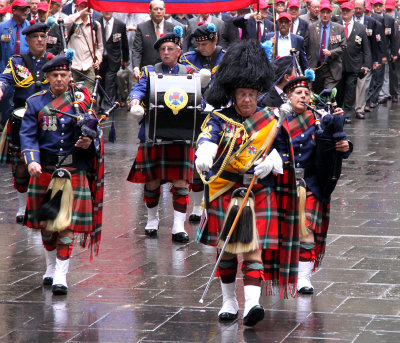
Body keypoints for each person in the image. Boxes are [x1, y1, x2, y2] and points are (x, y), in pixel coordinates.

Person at [195, 39, 299, 327]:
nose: (247, 100)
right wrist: (204, 152)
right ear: (233, 93)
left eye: (252, 94)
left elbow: (286, 156)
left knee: (253, 248)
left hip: (258, 190)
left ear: (258, 94)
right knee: (227, 250)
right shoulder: (219, 118)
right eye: (242, 94)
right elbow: (208, 137)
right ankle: (229, 301)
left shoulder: (270, 120)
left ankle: (252, 303)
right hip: (225, 189)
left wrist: (273, 162)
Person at [19, 53, 104, 296]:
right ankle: (49, 266)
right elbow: (28, 135)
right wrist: (32, 161)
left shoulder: (81, 103)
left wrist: (89, 141)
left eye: (63, 75)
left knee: (66, 226)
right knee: (47, 226)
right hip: (44, 169)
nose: (59, 79)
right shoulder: (36, 103)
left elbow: (94, 130)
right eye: (54, 75)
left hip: (72, 170)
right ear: (46, 77)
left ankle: (61, 274)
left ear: (69, 76)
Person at [282, 75, 352, 294]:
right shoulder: (278, 120)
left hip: (311, 182)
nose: (303, 96)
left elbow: (339, 142)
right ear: (288, 97)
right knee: (281, 232)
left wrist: (345, 145)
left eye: (306, 93)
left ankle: (304, 278)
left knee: (307, 229)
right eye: (298, 93)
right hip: (283, 181)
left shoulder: (320, 118)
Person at [127, 27, 193, 243]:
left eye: (170, 48)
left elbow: (200, 96)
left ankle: (178, 227)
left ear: (178, 51)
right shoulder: (150, 72)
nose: (166, 52)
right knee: (152, 181)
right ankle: (152, 220)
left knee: (181, 181)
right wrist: (135, 100)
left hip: (181, 133)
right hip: (154, 132)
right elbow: (139, 88)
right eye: (162, 49)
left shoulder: (189, 72)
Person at [0, 21, 52, 223]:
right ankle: (22, 205)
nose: (40, 40)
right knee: (21, 166)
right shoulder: (17, 62)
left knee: (47, 163)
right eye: (36, 37)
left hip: (49, 118)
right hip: (22, 119)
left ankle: (41, 204)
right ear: (28, 40)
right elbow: (5, 78)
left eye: (43, 36)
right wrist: (1, 87)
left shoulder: (53, 61)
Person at [336, 2, 371, 122]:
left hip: (353, 65)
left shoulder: (360, 27)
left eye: (347, 10)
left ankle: (347, 114)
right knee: (339, 90)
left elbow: (366, 48)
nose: (345, 12)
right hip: (337, 64)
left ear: (352, 12)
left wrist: (366, 65)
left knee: (351, 89)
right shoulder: (335, 25)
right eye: (343, 10)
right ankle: (338, 111)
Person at [304, 1, 347, 93]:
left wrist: (331, 52)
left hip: (331, 67)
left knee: (327, 93)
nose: (325, 15)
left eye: (327, 13)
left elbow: (343, 46)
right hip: (316, 67)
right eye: (323, 12)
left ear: (331, 14)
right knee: (316, 94)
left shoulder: (339, 28)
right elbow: (305, 46)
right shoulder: (311, 28)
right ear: (319, 13)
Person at [64, 0, 103, 94]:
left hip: (89, 65)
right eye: (82, 6)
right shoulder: (72, 23)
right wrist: (81, 13)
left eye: (86, 6)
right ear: (76, 8)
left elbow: (99, 46)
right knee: (72, 94)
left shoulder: (95, 25)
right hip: (74, 65)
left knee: (88, 95)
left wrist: (98, 58)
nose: (85, 8)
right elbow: (65, 22)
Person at [132, 0, 174, 80]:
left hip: (168, 70)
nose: (159, 12)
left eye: (161, 9)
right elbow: (137, 50)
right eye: (156, 9)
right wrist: (136, 67)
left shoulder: (172, 27)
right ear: (150, 11)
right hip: (148, 70)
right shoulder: (142, 28)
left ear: (164, 11)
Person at [97, 12, 129, 112]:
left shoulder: (120, 24)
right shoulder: (96, 23)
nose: (107, 12)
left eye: (109, 10)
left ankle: (106, 106)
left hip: (114, 58)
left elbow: (124, 43)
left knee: (109, 80)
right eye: (105, 10)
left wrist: (125, 58)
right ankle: (103, 100)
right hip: (99, 58)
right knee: (100, 81)